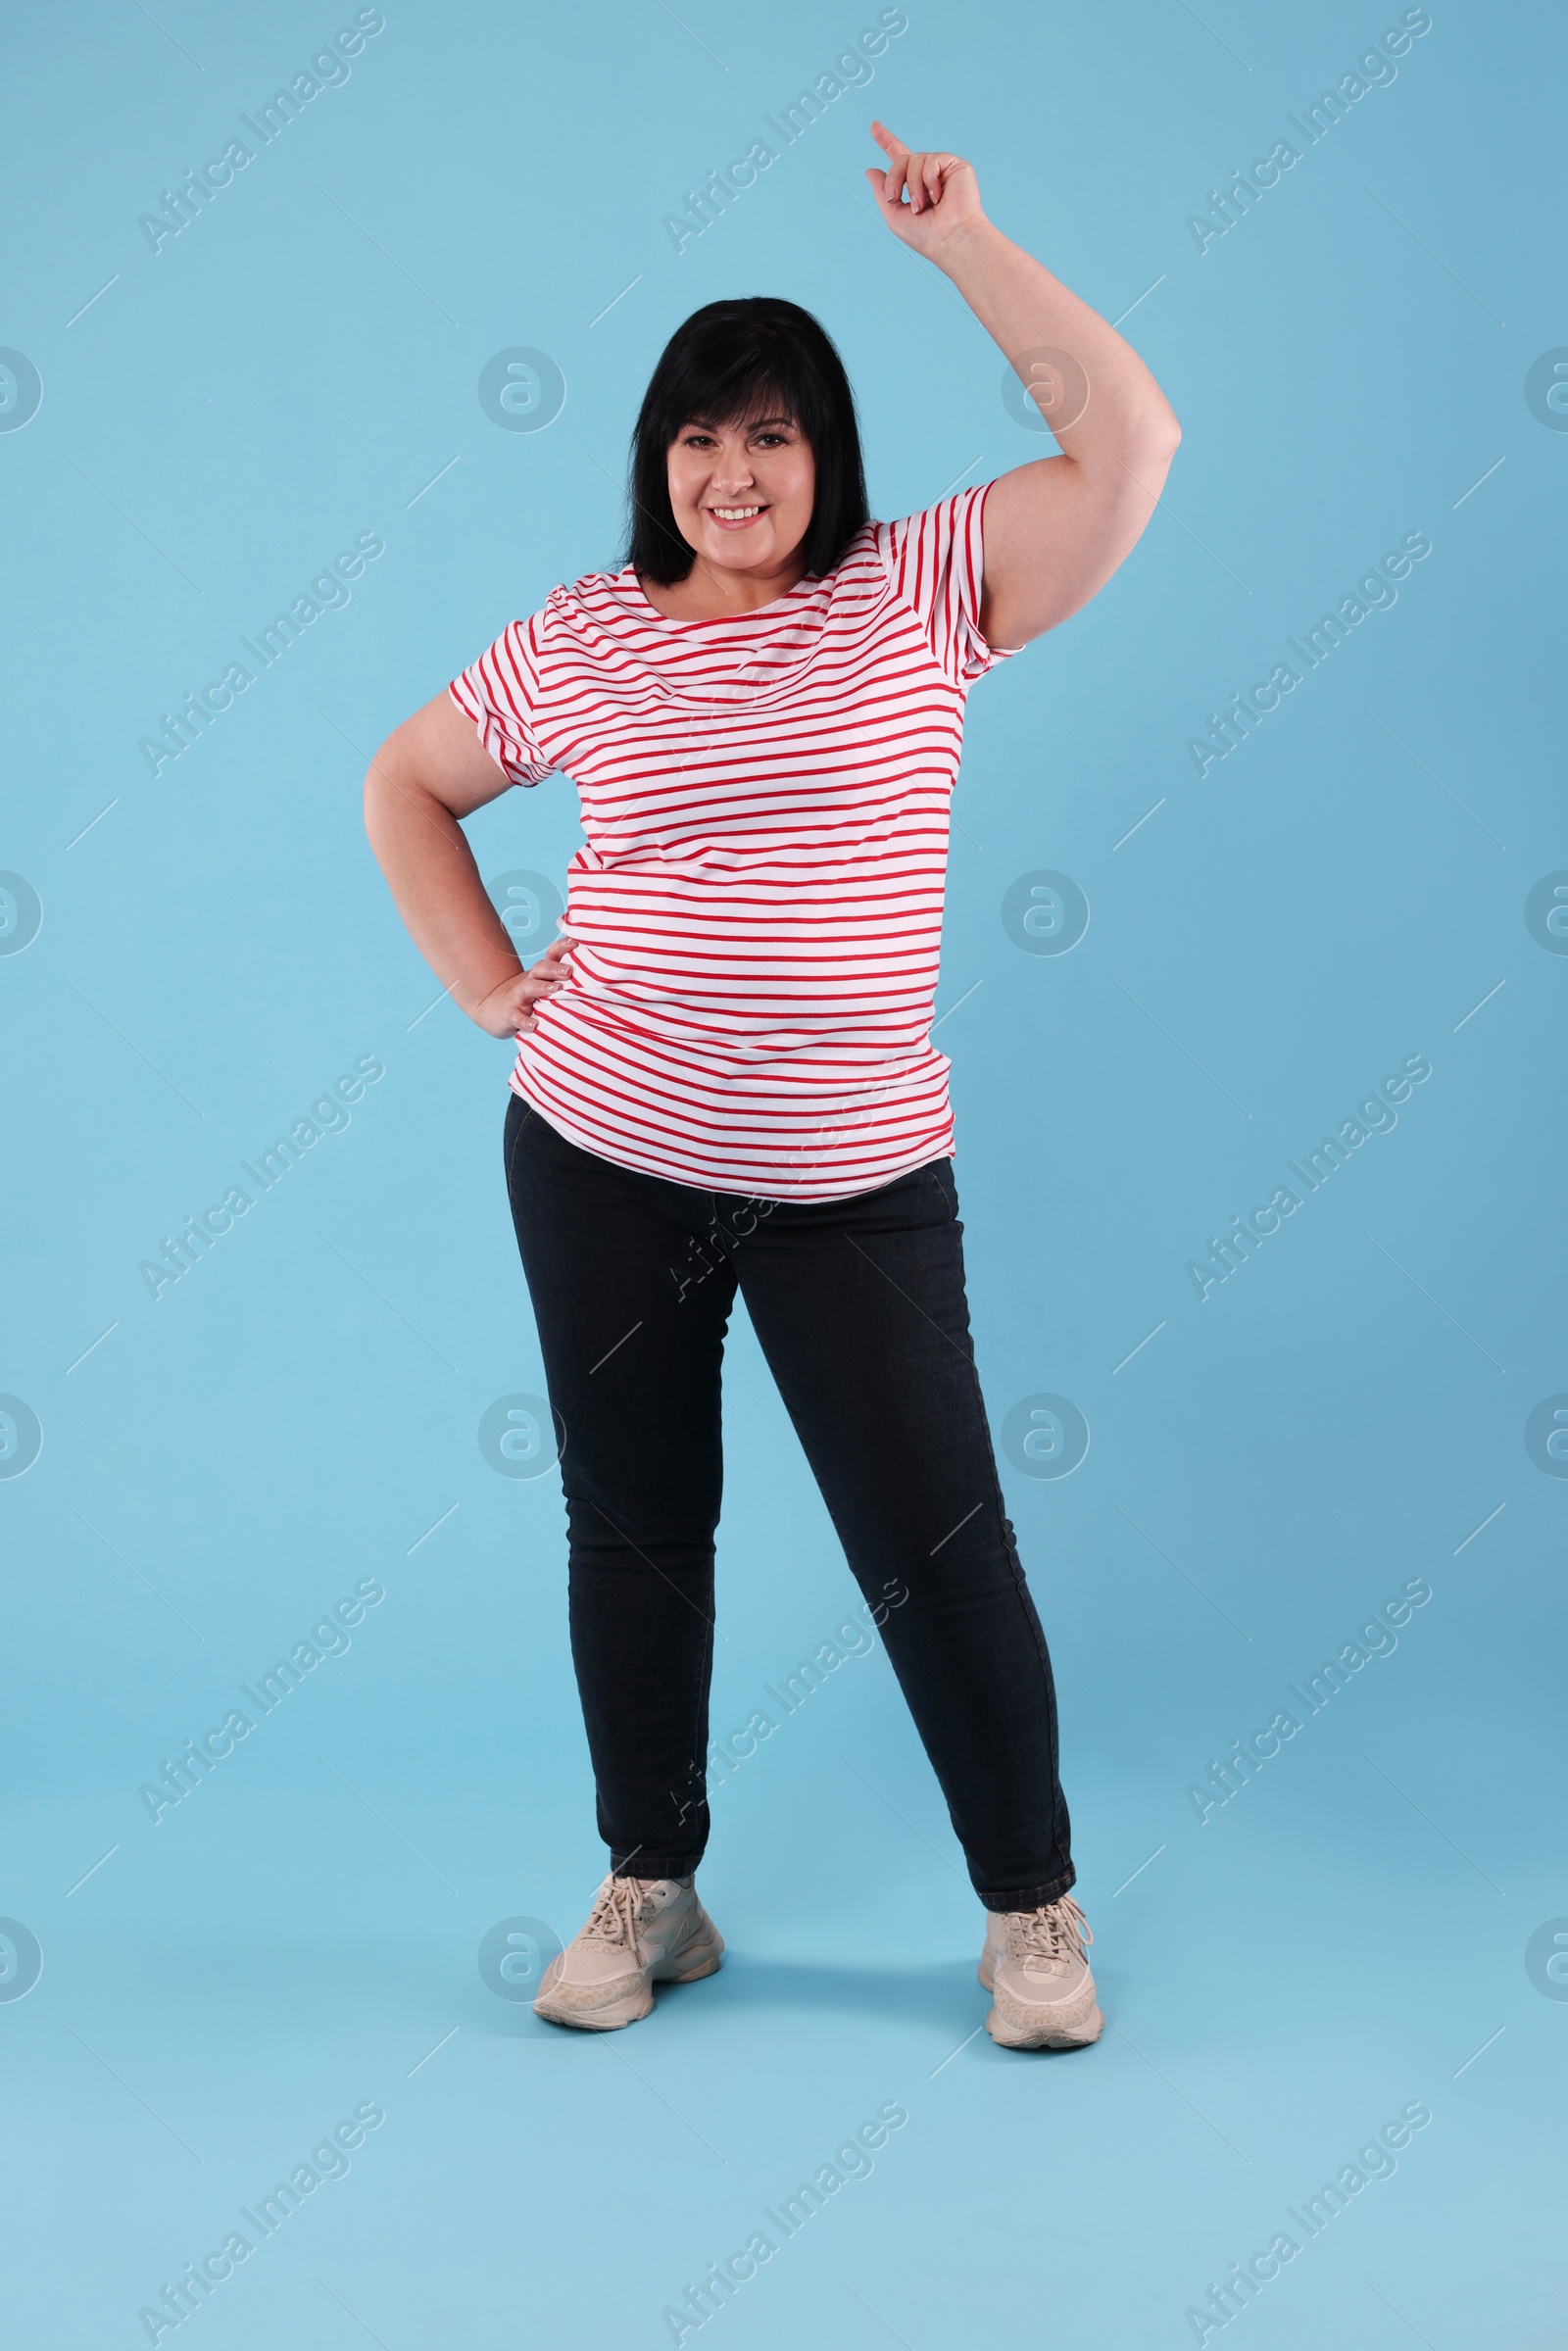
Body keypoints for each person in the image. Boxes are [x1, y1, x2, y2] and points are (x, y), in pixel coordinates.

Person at [364, 122, 1179, 2050]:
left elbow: (1127, 449)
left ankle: (1031, 1910)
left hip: (851, 1172)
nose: (732, 471)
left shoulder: (926, 586)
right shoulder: (577, 634)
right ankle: (651, 1885)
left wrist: (962, 243)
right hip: (601, 1152)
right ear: (658, 459)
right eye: (697, 436)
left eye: (774, 434)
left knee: (935, 1546)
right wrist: (490, 982)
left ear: (829, 461)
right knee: (635, 1528)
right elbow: (403, 780)